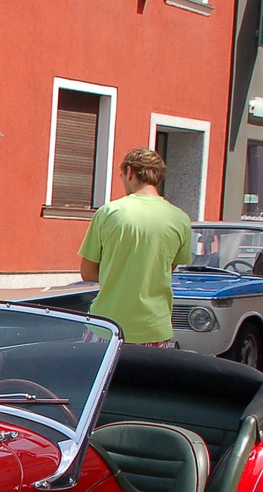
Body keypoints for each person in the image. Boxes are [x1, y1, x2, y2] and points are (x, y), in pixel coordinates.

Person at [78, 148, 192, 346]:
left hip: (107, 326)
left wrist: (118, 273)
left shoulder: (110, 212)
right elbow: (166, 269)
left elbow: (88, 273)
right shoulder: (180, 218)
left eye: (122, 176)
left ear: (130, 172)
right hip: (155, 328)